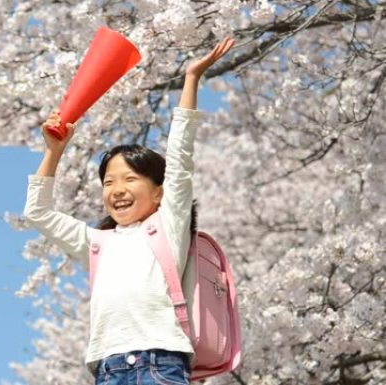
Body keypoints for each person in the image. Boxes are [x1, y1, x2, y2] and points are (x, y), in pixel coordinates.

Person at [23, 37, 235, 385]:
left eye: (129, 179)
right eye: (108, 182)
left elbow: (180, 161)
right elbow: (38, 212)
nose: (117, 190)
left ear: (158, 193)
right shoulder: (97, 244)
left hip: (160, 363)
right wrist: (54, 152)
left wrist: (191, 80)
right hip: (107, 370)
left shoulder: (168, 227)